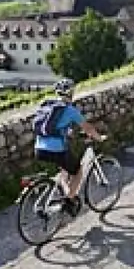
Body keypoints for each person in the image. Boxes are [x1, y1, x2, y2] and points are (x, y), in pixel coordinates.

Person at [33, 77, 107, 217]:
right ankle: (68, 200)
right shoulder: (70, 110)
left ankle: (63, 189)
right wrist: (99, 138)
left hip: (39, 148)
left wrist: (68, 132)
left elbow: (54, 126)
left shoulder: (47, 105)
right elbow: (88, 128)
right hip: (55, 149)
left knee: (64, 166)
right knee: (78, 171)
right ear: (71, 93)